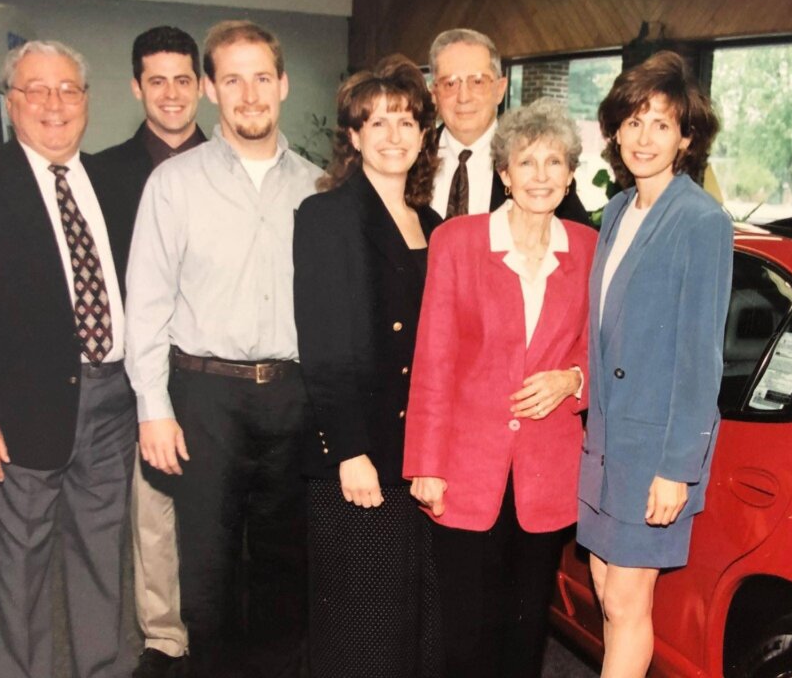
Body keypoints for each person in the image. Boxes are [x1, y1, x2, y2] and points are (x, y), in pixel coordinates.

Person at [0, 40, 142, 678]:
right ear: (10, 101)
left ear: (87, 100)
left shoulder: (113, 181)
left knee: (102, 555)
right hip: (20, 412)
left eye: (68, 89)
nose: (55, 104)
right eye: (37, 90)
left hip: (113, 401)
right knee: (19, 565)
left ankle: (100, 669)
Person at [125, 20, 319, 678]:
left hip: (292, 397)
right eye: (232, 80)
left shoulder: (318, 187)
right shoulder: (174, 184)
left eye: (262, 77)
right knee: (208, 571)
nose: (249, 94)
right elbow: (146, 303)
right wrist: (153, 408)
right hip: (204, 399)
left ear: (283, 84)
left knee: (284, 566)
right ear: (211, 90)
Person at [404, 97, 597, 678]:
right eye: (526, 162)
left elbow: (605, 350)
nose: (540, 175)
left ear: (570, 175)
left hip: (546, 473)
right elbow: (433, 358)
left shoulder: (588, 248)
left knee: (526, 628)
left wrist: (574, 380)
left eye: (554, 162)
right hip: (465, 468)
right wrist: (426, 464)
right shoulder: (458, 242)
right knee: (466, 634)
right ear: (505, 174)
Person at [576, 51, 732, 678]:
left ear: (686, 138)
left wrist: (677, 470)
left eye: (661, 124)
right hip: (607, 443)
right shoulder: (617, 210)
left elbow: (700, 358)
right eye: (633, 122)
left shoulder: (701, 220)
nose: (644, 138)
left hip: (654, 451)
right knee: (605, 592)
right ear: (615, 131)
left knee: (626, 599)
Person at [293, 56, 443, 678]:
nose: (393, 135)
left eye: (405, 121)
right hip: (358, 455)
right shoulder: (326, 216)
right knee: (360, 626)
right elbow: (323, 345)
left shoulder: (433, 224)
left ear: (423, 135)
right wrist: (350, 451)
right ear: (353, 137)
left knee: (410, 618)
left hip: (417, 454)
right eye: (376, 122)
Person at [95, 25, 206, 678]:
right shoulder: (103, 174)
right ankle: (164, 638)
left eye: (182, 80)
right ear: (137, 87)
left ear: (202, 87)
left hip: (216, 370)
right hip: (138, 374)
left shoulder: (230, 165)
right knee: (154, 512)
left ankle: (218, 627)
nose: (170, 93)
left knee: (223, 509)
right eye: (156, 80)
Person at [428, 28, 590, 224]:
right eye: (450, 84)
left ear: (500, 89)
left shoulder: (535, 161)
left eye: (477, 82)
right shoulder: (411, 159)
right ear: (434, 94)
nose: (464, 97)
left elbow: (578, 234)